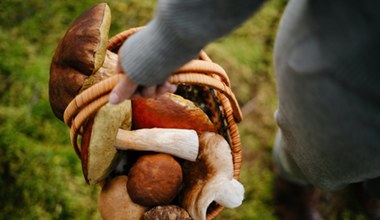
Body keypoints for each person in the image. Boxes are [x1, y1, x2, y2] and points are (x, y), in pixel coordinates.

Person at [109, 0, 380, 219]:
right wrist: (164, 42)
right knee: (316, 154)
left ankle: (369, 188)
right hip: (334, 87)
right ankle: (294, 185)